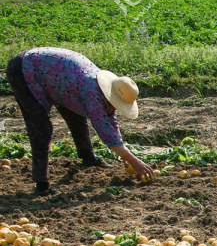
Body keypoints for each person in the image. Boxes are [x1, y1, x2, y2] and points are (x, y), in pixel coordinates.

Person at [5, 47, 153, 196]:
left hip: (59, 78)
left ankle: (88, 158)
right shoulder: (92, 93)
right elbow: (104, 129)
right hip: (25, 68)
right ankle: (41, 183)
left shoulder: (105, 90)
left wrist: (125, 154)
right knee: (41, 127)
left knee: (76, 115)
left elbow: (110, 120)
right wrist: (133, 160)